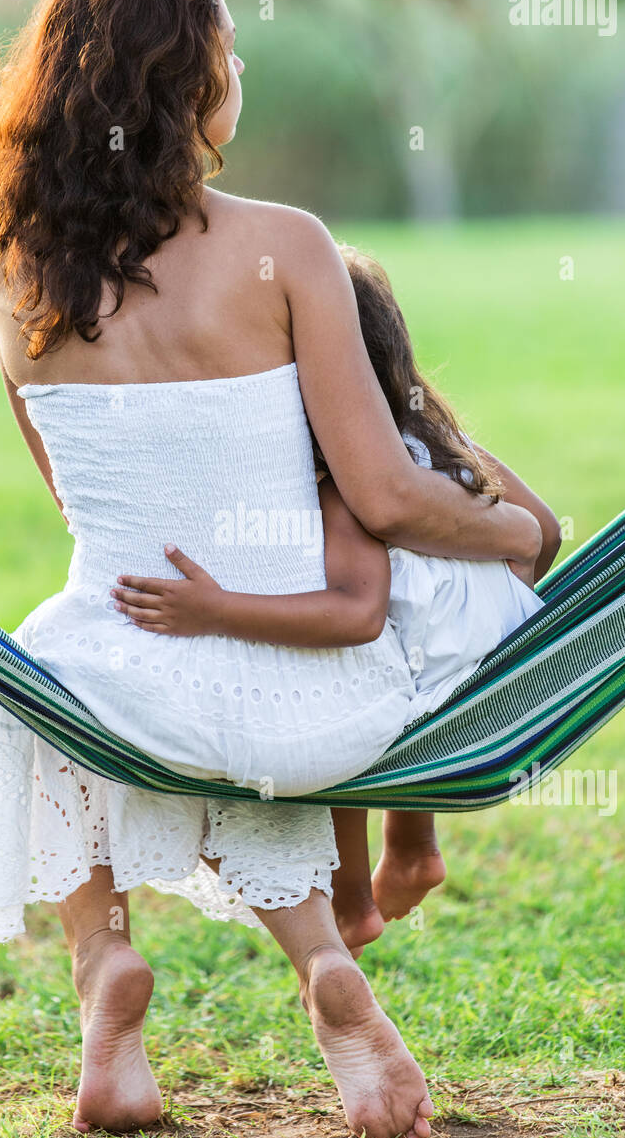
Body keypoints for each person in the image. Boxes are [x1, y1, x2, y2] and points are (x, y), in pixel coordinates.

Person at [0, 0, 547, 1138]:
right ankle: (323, 963)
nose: (242, 77)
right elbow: (379, 493)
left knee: (40, 687)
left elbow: (75, 505)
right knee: (232, 716)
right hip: (317, 695)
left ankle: (104, 967)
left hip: (106, 677)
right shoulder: (285, 246)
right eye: (230, 54)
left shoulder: (10, 270)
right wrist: (512, 528)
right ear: (184, 84)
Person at [110, 243, 561, 953]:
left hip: (418, 677)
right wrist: (487, 619)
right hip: (496, 660)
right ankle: (414, 844)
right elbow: (544, 532)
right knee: (398, 667)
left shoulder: (340, 492)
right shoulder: (436, 440)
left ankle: (350, 904)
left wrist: (215, 609)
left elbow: (356, 615)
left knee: (326, 690)